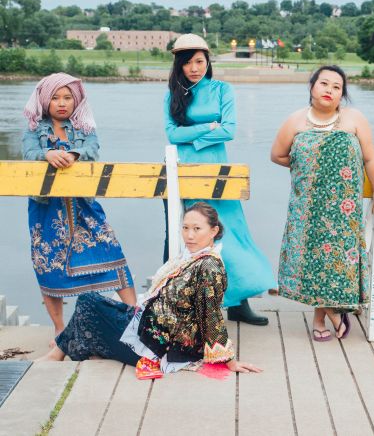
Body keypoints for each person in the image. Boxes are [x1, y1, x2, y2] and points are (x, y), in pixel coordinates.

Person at [39, 203, 262, 374]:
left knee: (89, 303)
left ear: (213, 231)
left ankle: (57, 354)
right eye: (185, 228)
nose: (189, 235)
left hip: (161, 345)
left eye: (197, 229)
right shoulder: (192, 256)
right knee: (94, 305)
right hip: (151, 325)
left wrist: (229, 361)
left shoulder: (209, 266)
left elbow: (210, 314)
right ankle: (62, 351)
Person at [163, 33, 276, 326]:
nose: (194, 68)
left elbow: (229, 130)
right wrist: (208, 127)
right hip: (184, 170)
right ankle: (181, 305)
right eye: (187, 63)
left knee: (231, 233)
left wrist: (194, 136)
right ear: (178, 65)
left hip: (217, 170)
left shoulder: (222, 90)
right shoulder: (173, 94)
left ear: (208, 61)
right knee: (190, 235)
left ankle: (238, 302)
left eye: (199, 61)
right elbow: (172, 134)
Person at [271, 65, 374, 340]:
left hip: (343, 207)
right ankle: (330, 315)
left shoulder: (354, 119)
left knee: (335, 262)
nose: (329, 90)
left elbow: (370, 159)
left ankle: (325, 316)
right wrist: (308, 166)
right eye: (324, 83)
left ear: (342, 94)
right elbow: (277, 155)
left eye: (337, 87)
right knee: (312, 261)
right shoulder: (295, 120)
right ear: (312, 86)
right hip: (307, 206)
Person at [22, 72, 136, 339]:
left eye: (67, 98)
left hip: (83, 205)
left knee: (110, 251)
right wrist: (47, 154)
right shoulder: (34, 129)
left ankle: (135, 320)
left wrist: (74, 154)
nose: (62, 103)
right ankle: (60, 331)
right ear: (45, 100)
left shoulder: (84, 128)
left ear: (76, 100)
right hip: (46, 209)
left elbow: (93, 148)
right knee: (47, 264)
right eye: (55, 98)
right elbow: (28, 153)